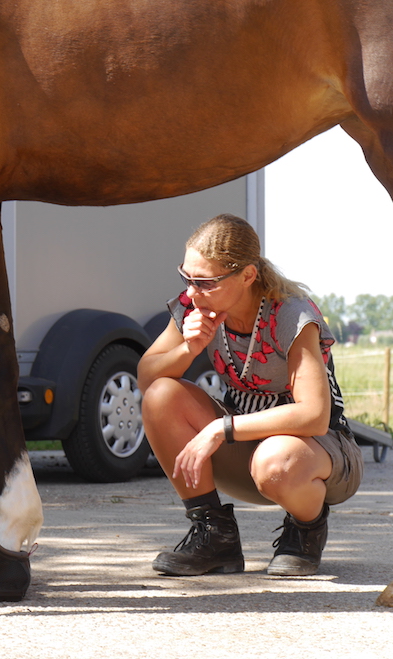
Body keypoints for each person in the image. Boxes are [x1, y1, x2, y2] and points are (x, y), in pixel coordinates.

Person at [137, 213, 363, 577]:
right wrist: (189, 350)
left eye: (205, 282)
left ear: (246, 276)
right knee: (161, 395)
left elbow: (314, 416)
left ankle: (306, 529)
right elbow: (147, 378)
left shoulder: (291, 313)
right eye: (187, 277)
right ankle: (215, 535)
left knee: (275, 460)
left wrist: (219, 429)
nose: (192, 292)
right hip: (250, 448)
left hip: (320, 452)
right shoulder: (194, 305)